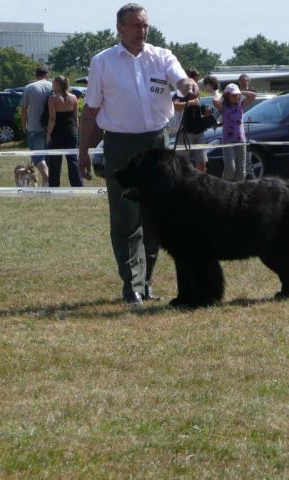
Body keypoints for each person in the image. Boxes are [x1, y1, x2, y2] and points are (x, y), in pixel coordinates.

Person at [77, 3, 199, 305]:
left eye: (145, 25)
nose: (141, 31)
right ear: (120, 28)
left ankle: (146, 283)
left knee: (157, 217)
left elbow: (180, 79)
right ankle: (130, 285)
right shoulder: (102, 62)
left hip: (157, 143)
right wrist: (82, 153)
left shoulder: (162, 57)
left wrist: (188, 85)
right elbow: (90, 111)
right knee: (125, 218)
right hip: (120, 144)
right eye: (135, 26)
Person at [173, 69, 217, 173]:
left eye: (196, 81)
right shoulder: (178, 94)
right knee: (183, 165)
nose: (195, 84)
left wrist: (206, 110)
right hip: (184, 133)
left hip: (199, 132)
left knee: (202, 162)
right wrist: (192, 102)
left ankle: (201, 185)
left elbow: (198, 107)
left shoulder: (196, 93)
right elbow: (176, 107)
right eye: (193, 80)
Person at [213, 83, 256, 181]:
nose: (236, 97)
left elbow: (253, 95)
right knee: (230, 169)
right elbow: (215, 100)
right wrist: (222, 94)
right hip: (228, 141)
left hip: (241, 140)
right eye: (233, 95)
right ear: (227, 96)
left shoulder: (241, 105)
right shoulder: (223, 108)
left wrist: (240, 91)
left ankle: (239, 191)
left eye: (237, 95)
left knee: (241, 170)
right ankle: (224, 186)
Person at [46, 75, 82, 187]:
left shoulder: (53, 99)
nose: (52, 86)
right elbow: (75, 118)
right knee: (73, 161)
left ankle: (54, 186)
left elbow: (52, 119)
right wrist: (78, 132)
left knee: (55, 161)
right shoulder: (74, 98)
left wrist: (48, 134)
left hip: (57, 133)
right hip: (71, 132)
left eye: (53, 84)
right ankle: (77, 185)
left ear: (58, 85)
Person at [21, 66, 52, 187]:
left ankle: (48, 179)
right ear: (47, 74)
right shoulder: (53, 86)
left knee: (38, 158)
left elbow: (24, 110)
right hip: (50, 128)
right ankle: (47, 183)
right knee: (48, 158)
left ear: (36, 75)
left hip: (34, 127)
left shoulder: (29, 87)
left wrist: (24, 126)